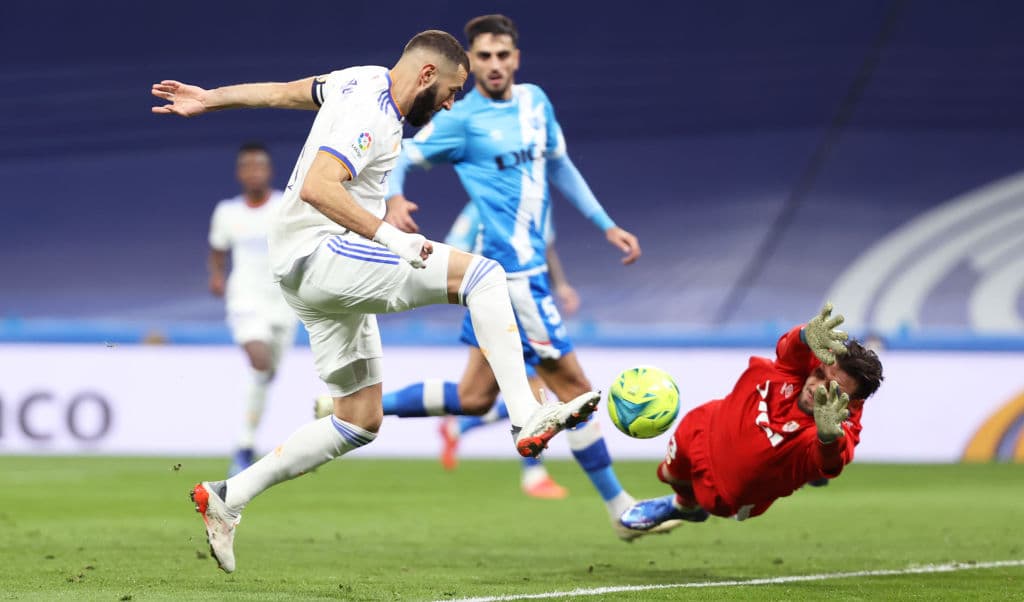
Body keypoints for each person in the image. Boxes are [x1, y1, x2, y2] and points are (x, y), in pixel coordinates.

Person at [151, 29, 600, 573]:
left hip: (301, 269)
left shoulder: (358, 77)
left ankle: (228, 495)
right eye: (455, 91)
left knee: (358, 420)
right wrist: (394, 239)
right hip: (324, 255)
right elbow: (320, 185)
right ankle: (526, 416)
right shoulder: (373, 110)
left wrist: (211, 97)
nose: (455, 102)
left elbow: (286, 92)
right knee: (483, 276)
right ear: (428, 75)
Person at [380, 14, 660, 540]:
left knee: (474, 398)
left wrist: (607, 225)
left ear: (516, 58)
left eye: (502, 55)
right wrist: (394, 196)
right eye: (482, 56)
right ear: (471, 62)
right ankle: (620, 509)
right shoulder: (461, 120)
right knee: (575, 388)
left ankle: (355, 405)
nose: (493, 65)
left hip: (511, 271)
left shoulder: (536, 103)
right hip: (513, 277)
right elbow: (402, 153)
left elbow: (560, 167)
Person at [314, 201, 579, 499]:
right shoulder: (482, 206)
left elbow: (546, 249)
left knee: (475, 397)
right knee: (534, 391)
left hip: (531, 303)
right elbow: (452, 250)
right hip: (497, 307)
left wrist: (562, 285)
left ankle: (438, 422)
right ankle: (533, 473)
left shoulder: (537, 199)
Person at [619, 303, 884, 529]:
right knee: (671, 474)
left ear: (852, 403)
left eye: (832, 388)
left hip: (724, 489)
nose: (816, 387)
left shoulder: (836, 427)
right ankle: (686, 506)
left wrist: (827, 439)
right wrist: (804, 334)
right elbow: (788, 347)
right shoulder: (800, 370)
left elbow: (835, 459)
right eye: (819, 375)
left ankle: (682, 507)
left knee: (813, 463)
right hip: (703, 425)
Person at [207, 142, 299, 477]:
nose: (254, 172)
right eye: (247, 166)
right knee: (258, 360)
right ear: (240, 173)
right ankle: (245, 445)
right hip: (245, 299)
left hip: (284, 303)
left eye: (259, 166)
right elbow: (218, 249)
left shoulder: (285, 207)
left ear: (269, 171)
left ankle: (246, 441)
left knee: (266, 374)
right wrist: (217, 277)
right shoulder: (227, 212)